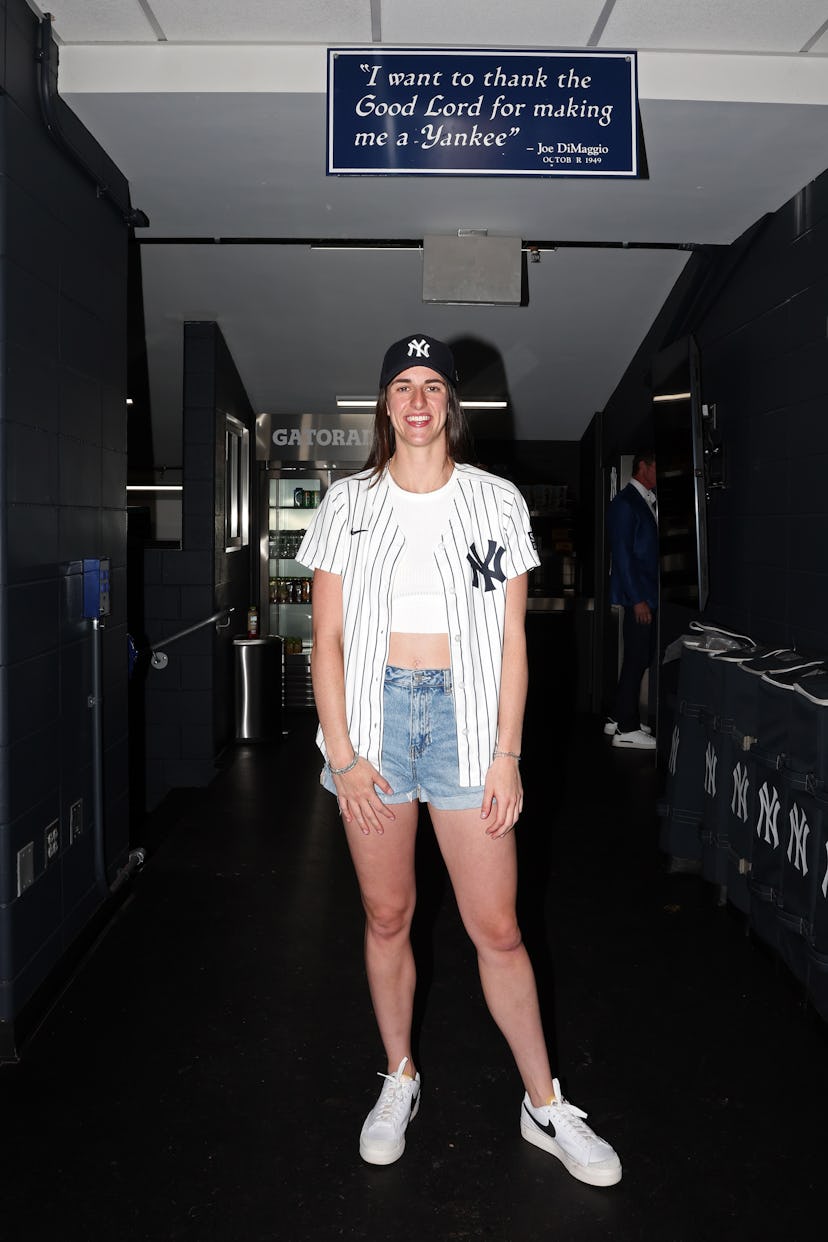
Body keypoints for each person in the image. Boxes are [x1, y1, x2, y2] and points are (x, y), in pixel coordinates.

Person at [296, 334, 621, 1187]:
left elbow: (514, 641)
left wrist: (507, 754)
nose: (416, 399)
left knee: (499, 929)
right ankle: (398, 1075)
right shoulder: (346, 504)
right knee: (387, 918)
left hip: (467, 728)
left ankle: (544, 1102)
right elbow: (324, 641)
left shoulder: (497, 502)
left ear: (451, 407)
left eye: (432, 385)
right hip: (371, 727)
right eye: (401, 385)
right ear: (383, 406)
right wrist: (345, 753)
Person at [606, 450, 659, 749]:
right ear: (643, 466)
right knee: (638, 657)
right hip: (638, 594)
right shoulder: (626, 503)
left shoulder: (638, 501)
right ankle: (627, 727)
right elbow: (623, 557)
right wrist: (638, 599)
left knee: (637, 657)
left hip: (642, 592)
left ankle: (618, 716)